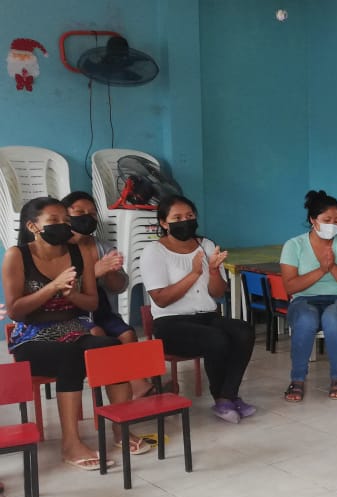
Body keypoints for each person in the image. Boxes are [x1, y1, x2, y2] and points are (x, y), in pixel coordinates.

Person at [2, 198, 148, 470]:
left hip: (73, 330)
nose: (63, 225)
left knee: (111, 348)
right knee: (71, 356)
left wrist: (72, 295)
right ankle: (70, 444)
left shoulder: (78, 253)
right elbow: (15, 311)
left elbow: (92, 303)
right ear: (33, 226)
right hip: (31, 338)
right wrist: (53, 287)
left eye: (65, 221)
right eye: (53, 221)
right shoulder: (17, 255)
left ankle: (121, 428)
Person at [140, 195, 256, 423]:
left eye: (189, 216)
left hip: (207, 317)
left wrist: (212, 271)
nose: (185, 221)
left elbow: (218, 292)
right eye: (177, 218)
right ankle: (221, 398)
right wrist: (194, 274)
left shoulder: (207, 245)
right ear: (164, 223)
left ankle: (228, 396)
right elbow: (161, 299)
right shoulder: (154, 251)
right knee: (216, 338)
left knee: (243, 331)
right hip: (171, 324)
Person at [60, 192, 155, 398]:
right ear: (65, 216)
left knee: (127, 334)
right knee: (98, 334)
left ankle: (138, 385)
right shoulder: (59, 249)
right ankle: (115, 390)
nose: (87, 217)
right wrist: (93, 273)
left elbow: (119, 287)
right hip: (70, 314)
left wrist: (110, 272)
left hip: (101, 310)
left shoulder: (103, 247)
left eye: (92, 213)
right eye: (80, 212)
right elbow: (59, 289)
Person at [280, 190, 337, 402]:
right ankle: (297, 379)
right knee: (306, 318)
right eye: (327, 220)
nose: (332, 225)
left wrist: (332, 266)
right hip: (303, 300)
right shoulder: (293, 245)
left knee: (332, 317)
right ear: (312, 220)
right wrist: (322, 269)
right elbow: (290, 286)